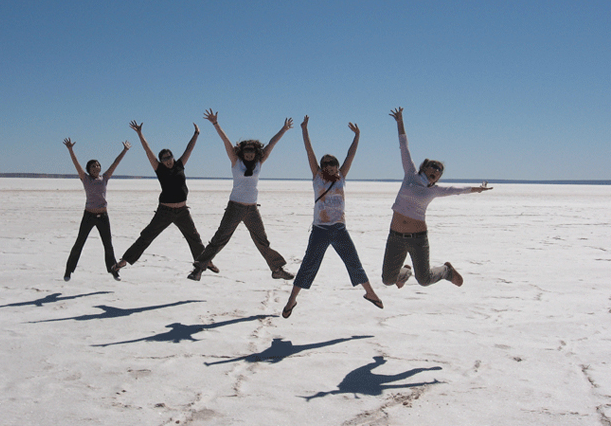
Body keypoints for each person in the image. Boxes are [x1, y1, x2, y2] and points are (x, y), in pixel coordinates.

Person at [281, 116, 383, 319]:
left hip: (339, 229)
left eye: (332, 163)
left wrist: (357, 136)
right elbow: (309, 151)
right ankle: (292, 300)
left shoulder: (341, 177)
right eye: (325, 163)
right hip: (320, 230)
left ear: (337, 165)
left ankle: (369, 292)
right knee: (309, 265)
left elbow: (350, 155)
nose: (329, 166)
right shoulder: (317, 177)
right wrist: (304, 130)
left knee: (353, 261)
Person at [381, 107, 492, 289]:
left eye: (439, 171)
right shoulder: (410, 174)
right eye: (433, 166)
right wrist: (400, 122)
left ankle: (446, 271)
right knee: (388, 279)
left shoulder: (435, 190)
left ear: (439, 178)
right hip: (395, 236)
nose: (436, 170)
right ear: (424, 167)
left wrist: (477, 189)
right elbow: (404, 147)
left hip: (418, 238)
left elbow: (457, 189)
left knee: (424, 280)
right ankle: (405, 272)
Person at [187, 109, 294, 282]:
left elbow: (272, 144)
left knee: (262, 241)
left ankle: (277, 269)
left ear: (256, 151)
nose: (250, 153)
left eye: (252, 151)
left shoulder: (259, 162)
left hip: (252, 209)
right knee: (220, 239)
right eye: (247, 151)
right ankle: (198, 269)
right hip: (235, 207)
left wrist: (283, 129)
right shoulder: (236, 162)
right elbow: (226, 141)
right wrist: (215, 123)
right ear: (242, 152)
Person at [111, 121, 218, 276]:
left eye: (169, 157)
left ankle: (205, 262)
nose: (168, 160)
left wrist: (196, 134)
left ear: (173, 157)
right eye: (164, 159)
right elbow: (148, 150)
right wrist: (140, 134)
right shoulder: (159, 169)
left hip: (182, 211)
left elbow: (189, 149)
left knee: (194, 237)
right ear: (160, 161)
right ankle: (124, 261)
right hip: (165, 211)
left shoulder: (180, 165)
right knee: (147, 236)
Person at [63, 137, 131, 282]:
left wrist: (124, 150)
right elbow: (76, 164)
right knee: (79, 242)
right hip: (89, 215)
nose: (96, 167)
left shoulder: (105, 178)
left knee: (108, 244)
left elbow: (115, 163)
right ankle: (69, 270)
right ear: (89, 169)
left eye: (98, 165)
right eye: (93, 166)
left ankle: (113, 270)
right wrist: (70, 150)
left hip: (103, 216)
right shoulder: (85, 179)